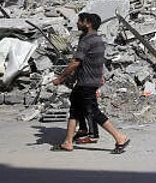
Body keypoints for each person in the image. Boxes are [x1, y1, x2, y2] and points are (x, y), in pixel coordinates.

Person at [52, 13, 130, 154]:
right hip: (89, 81)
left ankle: (120, 138)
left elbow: (76, 62)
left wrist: (61, 77)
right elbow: (98, 60)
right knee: (74, 109)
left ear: (87, 23)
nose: (77, 23)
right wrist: (99, 76)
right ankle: (68, 142)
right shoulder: (98, 39)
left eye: (80, 21)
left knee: (93, 112)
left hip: (86, 83)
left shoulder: (86, 40)